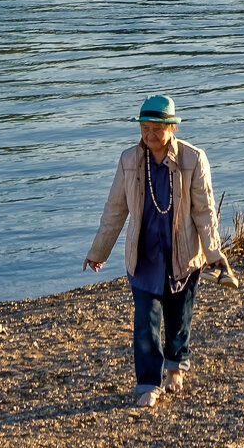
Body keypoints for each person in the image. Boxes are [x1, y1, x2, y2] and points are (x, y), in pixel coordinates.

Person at [82, 95, 230, 409]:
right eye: (144, 128)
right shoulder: (129, 160)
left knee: (178, 319)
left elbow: (205, 212)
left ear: (172, 128)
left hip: (183, 254)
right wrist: (99, 251)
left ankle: (176, 365)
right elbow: (115, 210)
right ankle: (148, 383)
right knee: (145, 322)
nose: (149, 135)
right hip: (144, 256)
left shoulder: (193, 158)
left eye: (156, 129)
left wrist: (214, 252)